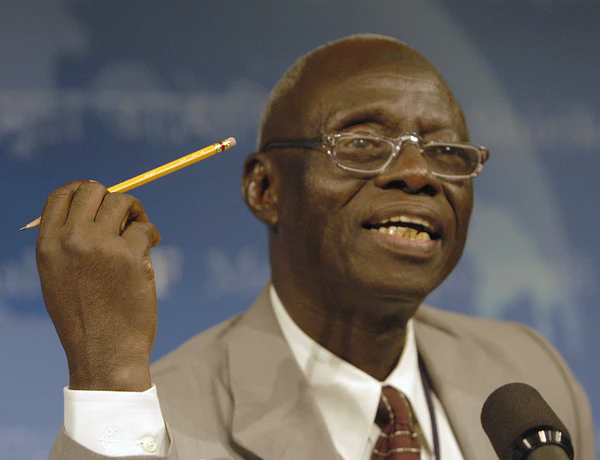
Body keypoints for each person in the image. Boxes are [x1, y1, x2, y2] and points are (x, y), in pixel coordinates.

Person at [36, 34, 594, 459]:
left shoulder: (528, 374)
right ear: (266, 189)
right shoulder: (157, 420)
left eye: (446, 151)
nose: (418, 173)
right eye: (363, 142)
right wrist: (108, 382)